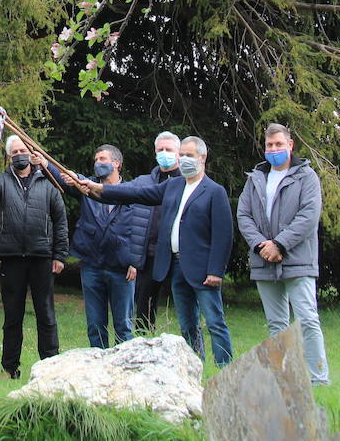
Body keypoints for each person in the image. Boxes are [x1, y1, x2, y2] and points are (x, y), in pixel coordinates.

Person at [77, 135, 233, 366]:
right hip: (177, 266)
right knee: (187, 323)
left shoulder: (214, 191)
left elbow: (223, 235)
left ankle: (225, 368)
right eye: (182, 156)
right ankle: (193, 367)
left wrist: (216, 271)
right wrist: (99, 189)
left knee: (214, 321)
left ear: (202, 157)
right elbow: (136, 194)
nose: (184, 160)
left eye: (189, 156)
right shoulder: (173, 185)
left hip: (203, 269)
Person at [236, 122, 329, 384]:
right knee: (277, 325)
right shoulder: (255, 179)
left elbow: (308, 216)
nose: (274, 149)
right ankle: (284, 379)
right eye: (269, 145)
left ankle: (317, 379)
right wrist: (261, 246)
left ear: (290, 145)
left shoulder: (306, 176)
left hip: (298, 260)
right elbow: (244, 215)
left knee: (308, 320)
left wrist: (279, 245)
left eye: (279, 144)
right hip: (263, 261)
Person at [0, 133, 68, 379]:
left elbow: (60, 222)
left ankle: (50, 366)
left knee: (46, 313)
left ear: (31, 154)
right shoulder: (2, 180)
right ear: (9, 157)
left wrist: (59, 255)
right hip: (12, 256)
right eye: (15, 152)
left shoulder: (48, 182)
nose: (20, 155)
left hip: (42, 255)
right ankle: (10, 368)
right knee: (12, 315)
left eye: (23, 151)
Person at [71, 144, 150, 348]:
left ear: (117, 164)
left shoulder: (132, 192)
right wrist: (44, 162)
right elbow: (66, 175)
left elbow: (140, 229)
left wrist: (135, 261)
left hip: (122, 268)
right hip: (92, 266)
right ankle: (99, 368)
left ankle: (124, 368)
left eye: (103, 159)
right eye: (96, 159)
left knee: (123, 325)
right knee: (95, 324)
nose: (98, 163)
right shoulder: (87, 187)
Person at [129, 131, 182, 333]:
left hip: (179, 255)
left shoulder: (188, 181)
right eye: (160, 150)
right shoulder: (144, 182)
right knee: (144, 309)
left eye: (169, 149)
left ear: (178, 153)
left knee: (187, 307)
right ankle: (143, 349)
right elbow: (120, 194)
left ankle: (195, 353)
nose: (164, 153)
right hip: (149, 254)